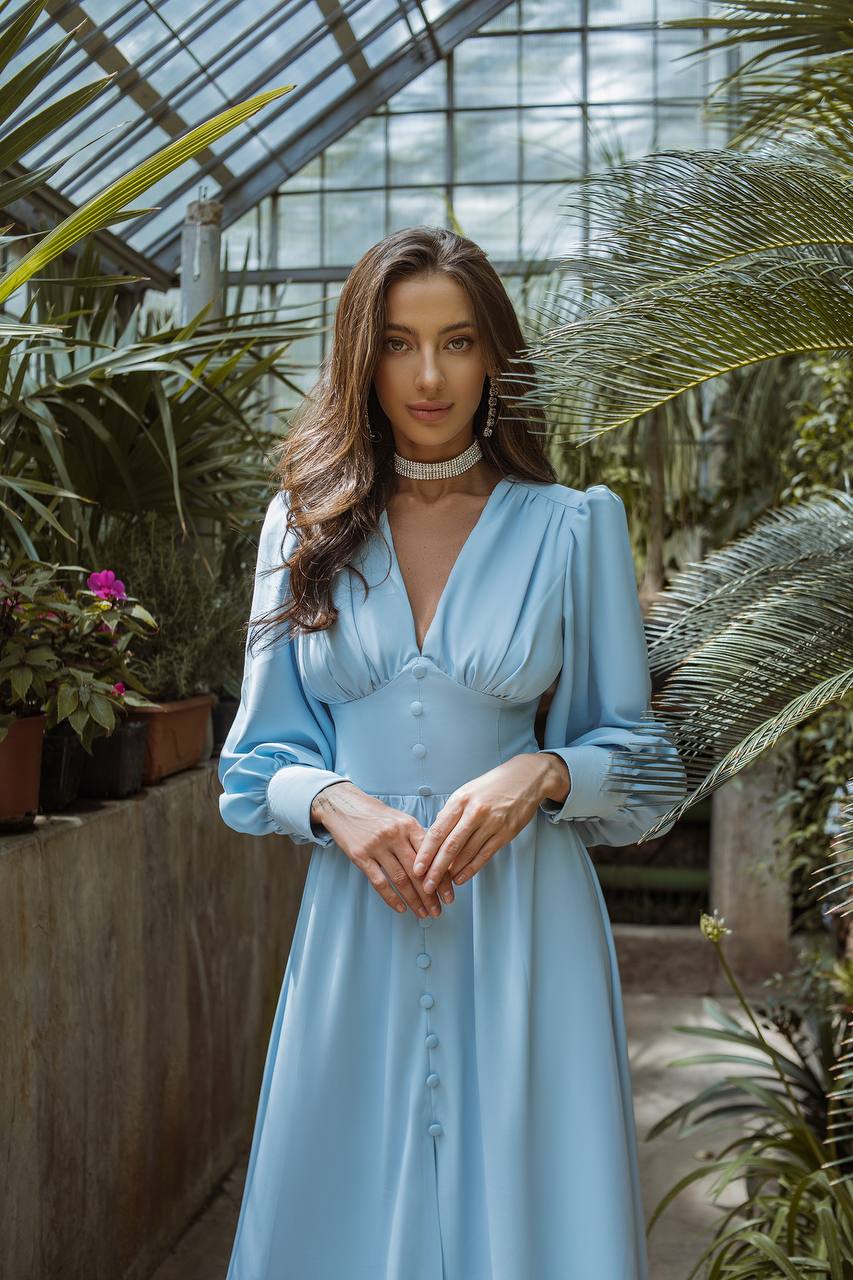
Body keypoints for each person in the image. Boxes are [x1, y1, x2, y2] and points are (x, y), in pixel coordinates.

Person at [217, 225, 686, 1280]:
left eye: (458, 341)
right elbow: (253, 767)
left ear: (494, 357)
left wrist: (546, 771)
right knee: (332, 1214)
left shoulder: (572, 527)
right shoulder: (300, 527)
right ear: (361, 358)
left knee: (536, 1222)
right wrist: (337, 799)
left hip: (529, 930)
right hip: (357, 925)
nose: (429, 375)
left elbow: (645, 768)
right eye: (397, 343)